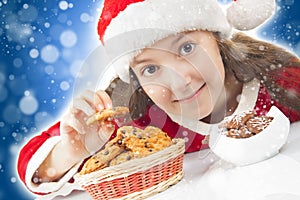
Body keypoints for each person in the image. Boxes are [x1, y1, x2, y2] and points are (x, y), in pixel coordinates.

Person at [17, 0, 300, 198]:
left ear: (217, 38)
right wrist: (73, 151)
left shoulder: (278, 82)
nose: (180, 80)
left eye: (187, 47)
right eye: (151, 69)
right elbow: (35, 169)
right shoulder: (134, 123)